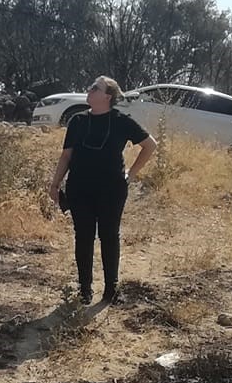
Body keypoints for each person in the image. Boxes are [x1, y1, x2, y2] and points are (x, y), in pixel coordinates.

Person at [48, 77, 158, 304]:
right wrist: (55, 184)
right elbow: (66, 155)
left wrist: (132, 173)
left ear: (107, 96)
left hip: (112, 188)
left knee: (109, 236)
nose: (89, 90)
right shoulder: (77, 121)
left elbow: (150, 145)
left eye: (95, 88)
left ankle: (111, 289)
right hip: (79, 187)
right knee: (84, 237)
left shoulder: (121, 121)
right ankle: (85, 289)